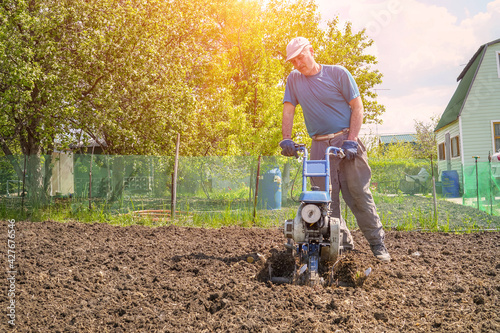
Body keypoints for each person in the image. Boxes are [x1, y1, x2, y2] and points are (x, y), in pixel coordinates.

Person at [279, 37, 391, 262]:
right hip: (319, 146)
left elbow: (357, 107)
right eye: (293, 61)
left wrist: (352, 139)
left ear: (311, 51)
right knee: (324, 201)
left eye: (301, 57)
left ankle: (377, 244)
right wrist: (286, 139)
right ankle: (341, 243)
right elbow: (289, 110)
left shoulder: (338, 73)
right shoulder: (294, 79)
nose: (298, 63)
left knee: (358, 194)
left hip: (346, 141)